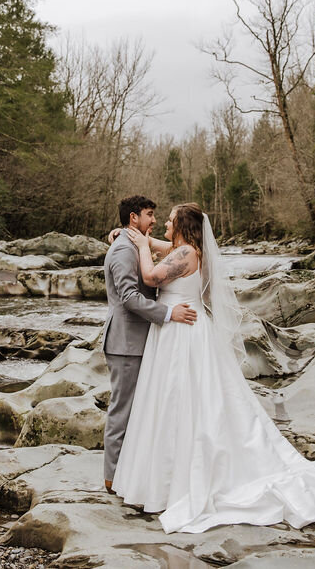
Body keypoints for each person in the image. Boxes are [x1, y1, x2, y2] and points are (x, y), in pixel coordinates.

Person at [111, 202, 315, 534]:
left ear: (183, 227)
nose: (164, 226)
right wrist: (130, 237)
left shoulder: (184, 254)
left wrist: (140, 245)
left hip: (182, 333)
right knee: (175, 401)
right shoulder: (185, 248)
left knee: (182, 400)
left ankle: (178, 480)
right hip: (174, 333)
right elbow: (160, 247)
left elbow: (150, 275)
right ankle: (164, 479)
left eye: (169, 222)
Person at [101, 195, 198, 495]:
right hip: (126, 343)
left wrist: (142, 242)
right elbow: (129, 298)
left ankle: (137, 474)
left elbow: (161, 249)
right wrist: (168, 313)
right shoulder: (122, 251)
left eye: (160, 217)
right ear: (133, 219)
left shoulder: (139, 244)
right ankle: (113, 478)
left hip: (146, 340)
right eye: (150, 215)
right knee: (123, 411)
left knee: (143, 409)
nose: (155, 220)